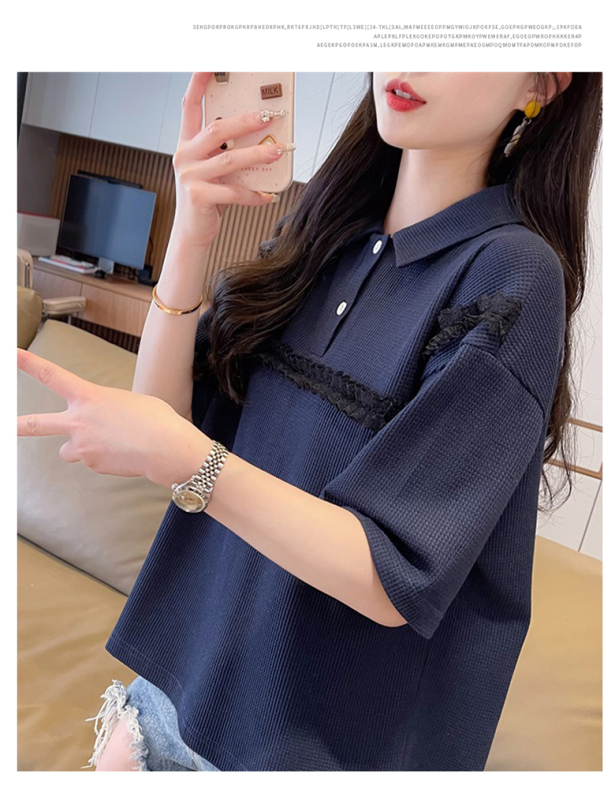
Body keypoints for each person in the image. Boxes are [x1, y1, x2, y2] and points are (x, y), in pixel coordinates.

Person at [17, 71, 602, 771]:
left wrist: (191, 462)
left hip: (306, 753)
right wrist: (191, 229)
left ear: (542, 83)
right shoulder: (325, 231)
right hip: (174, 692)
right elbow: (165, 420)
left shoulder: (511, 274)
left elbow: (393, 574)